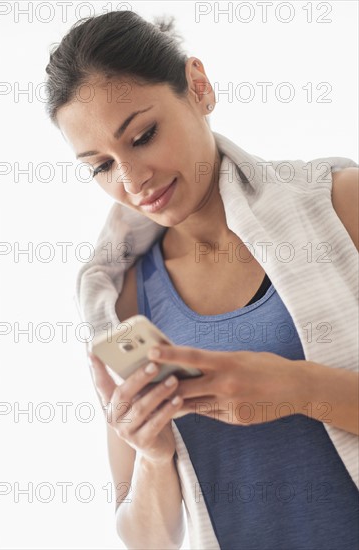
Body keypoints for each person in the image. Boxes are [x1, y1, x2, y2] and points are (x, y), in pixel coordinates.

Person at [45, 10, 359, 550]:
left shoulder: (340, 206)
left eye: (143, 135)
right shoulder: (119, 303)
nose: (132, 179)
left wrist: (302, 388)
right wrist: (152, 454)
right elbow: (148, 539)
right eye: (100, 166)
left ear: (198, 87)